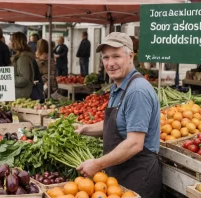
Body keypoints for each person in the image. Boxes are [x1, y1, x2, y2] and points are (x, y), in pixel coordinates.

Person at [75, 32, 162, 198]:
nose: (110, 63)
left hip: (138, 176)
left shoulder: (137, 91)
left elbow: (135, 143)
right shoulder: (118, 86)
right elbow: (116, 123)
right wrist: (85, 129)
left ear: (130, 56)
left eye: (116, 56)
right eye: (106, 57)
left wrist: (97, 164)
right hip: (120, 174)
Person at [11, 32, 36, 99]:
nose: (10, 43)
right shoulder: (21, 56)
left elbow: (24, 79)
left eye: (11, 41)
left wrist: (9, 79)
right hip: (21, 93)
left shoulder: (23, 58)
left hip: (21, 94)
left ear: (15, 42)